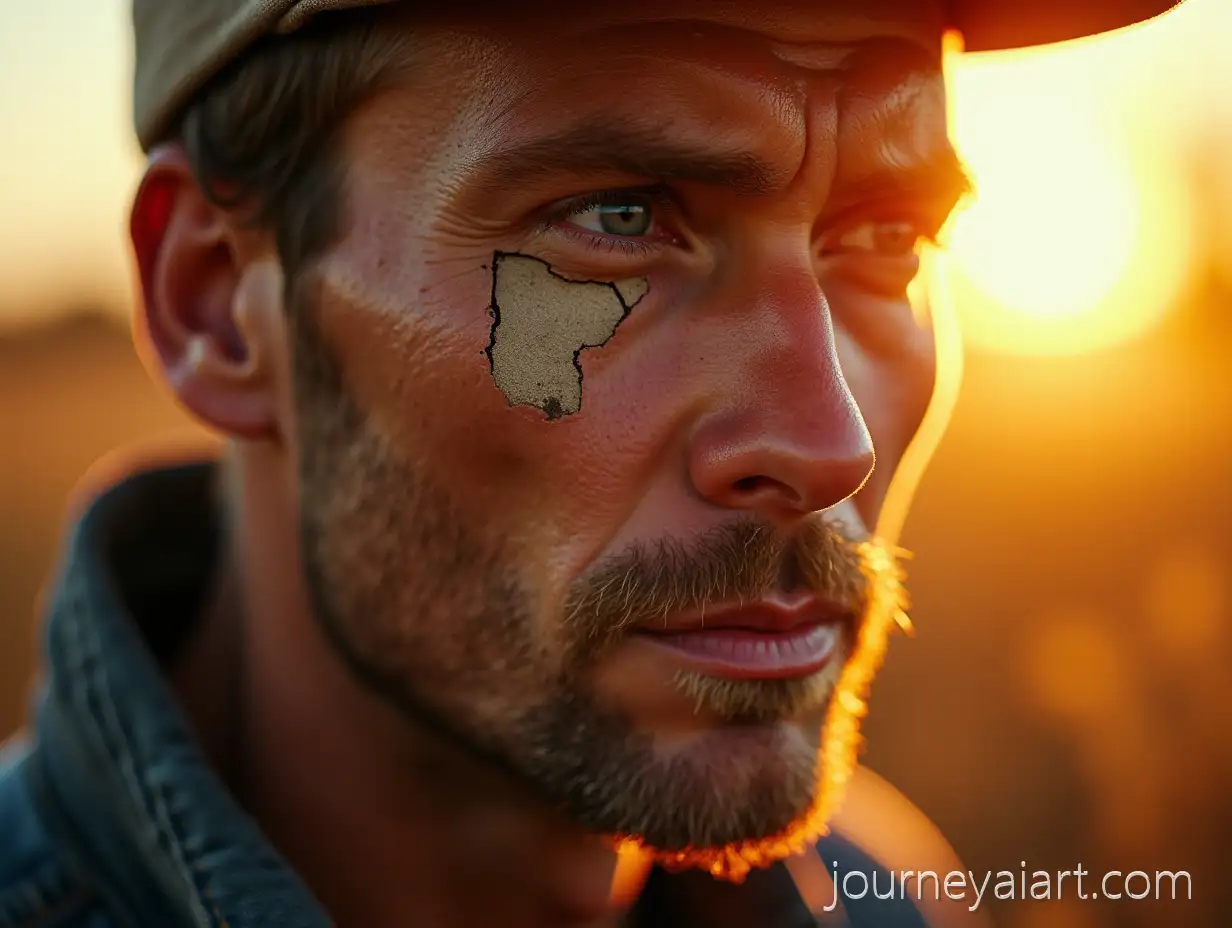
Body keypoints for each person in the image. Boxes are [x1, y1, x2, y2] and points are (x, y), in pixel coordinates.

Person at [0, 1, 1178, 926]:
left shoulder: (882, 891)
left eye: (878, 238)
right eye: (617, 219)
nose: (828, 446)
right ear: (215, 303)